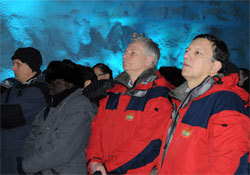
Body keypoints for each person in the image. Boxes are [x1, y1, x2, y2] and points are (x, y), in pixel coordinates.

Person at [157, 34, 249, 174]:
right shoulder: (182, 101)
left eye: (197, 53)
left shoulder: (225, 101)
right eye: (187, 51)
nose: (186, 56)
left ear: (214, 67)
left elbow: (228, 164)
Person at [86, 35, 174, 175]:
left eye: (132, 52)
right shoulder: (114, 91)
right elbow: (97, 128)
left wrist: (108, 168)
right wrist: (94, 160)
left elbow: (148, 142)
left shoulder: (160, 94)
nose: (125, 55)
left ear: (149, 60)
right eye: (126, 52)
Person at [18, 60, 97, 174]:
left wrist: (27, 166)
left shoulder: (81, 109)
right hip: (40, 170)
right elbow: (33, 137)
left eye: (55, 82)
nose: (50, 86)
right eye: (49, 81)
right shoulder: (51, 106)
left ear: (69, 84)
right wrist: (26, 161)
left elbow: (62, 150)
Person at [1, 47, 50, 174]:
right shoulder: (12, 89)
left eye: (18, 64)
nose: (13, 68)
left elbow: (8, 116)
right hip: (5, 158)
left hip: (23, 160)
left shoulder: (40, 91)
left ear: (31, 66)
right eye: (13, 64)